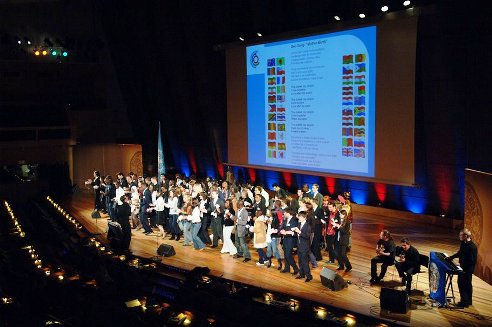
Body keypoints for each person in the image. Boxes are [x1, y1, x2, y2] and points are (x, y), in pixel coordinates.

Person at [448, 228, 478, 308]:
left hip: (467, 270)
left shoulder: (472, 247)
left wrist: (461, 266)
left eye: (460, 235)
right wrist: (451, 257)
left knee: (464, 284)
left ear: (465, 235)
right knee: (465, 284)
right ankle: (468, 301)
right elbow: (460, 253)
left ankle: (464, 302)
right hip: (463, 267)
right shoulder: (463, 243)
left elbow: (472, 261)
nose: (459, 236)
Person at [292, 211, 313, 282]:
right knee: (300, 261)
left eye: (300, 217)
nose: (299, 218)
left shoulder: (308, 226)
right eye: (299, 216)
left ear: (304, 218)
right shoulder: (299, 224)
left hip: (305, 246)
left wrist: (299, 232)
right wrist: (293, 232)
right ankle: (302, 274)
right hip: (299, 245)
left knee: (305, 262)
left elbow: (307, 236)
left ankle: (309, 276)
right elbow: (297, 234)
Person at [279, 208, 299, 275]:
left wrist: (286, 232)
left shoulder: (295, 220)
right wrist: (281, 230)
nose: (283, 213)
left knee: (288, 255)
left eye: (284, 212)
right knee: (285, 255)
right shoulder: (285, 220)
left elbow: (294, 230)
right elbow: (283, 227)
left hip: (291, 240)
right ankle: (287, 268)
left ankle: (296, 269)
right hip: (285, 239)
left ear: (288, 213)